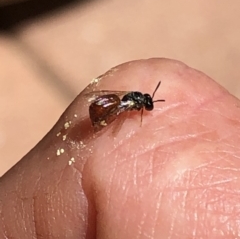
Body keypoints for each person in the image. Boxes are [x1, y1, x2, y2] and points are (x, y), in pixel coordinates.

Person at [1, 58, 240, 238]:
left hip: (105, 104)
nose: (147, 106)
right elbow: (118, 111)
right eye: (147, 104)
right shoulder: (128, 106)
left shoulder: (129, 96)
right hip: (104, 108)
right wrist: (103, 122)